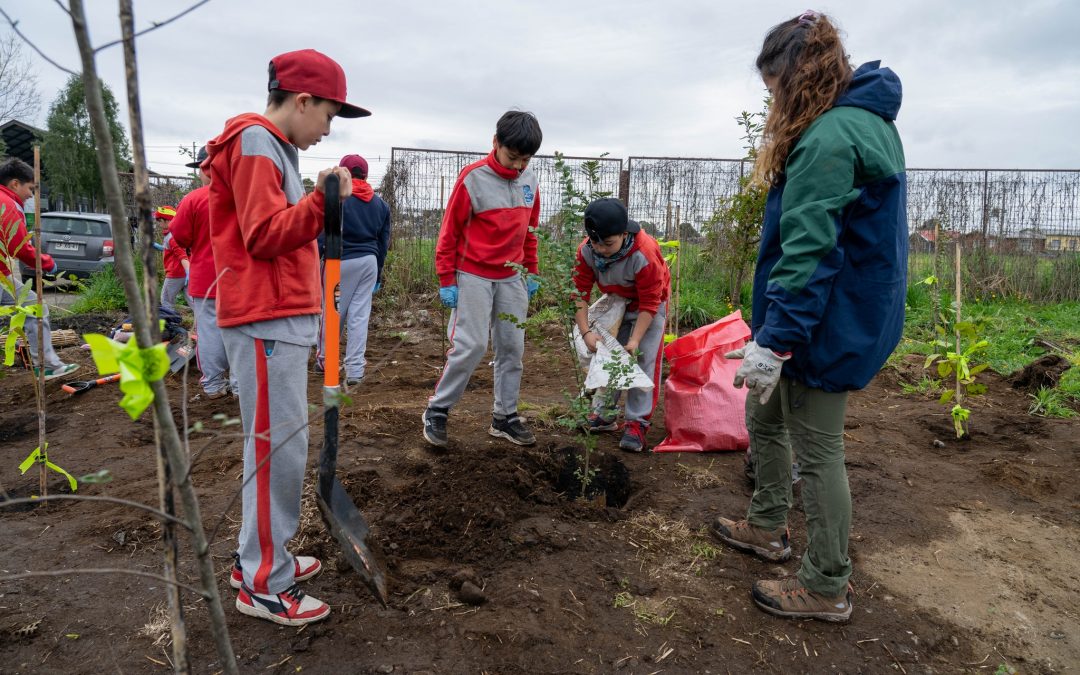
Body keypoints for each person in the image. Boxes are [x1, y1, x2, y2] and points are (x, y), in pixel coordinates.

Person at [709, 11, 907, 623]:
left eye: (775, 89)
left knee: (818, 450)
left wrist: (780, 339)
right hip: (816, 315)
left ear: (801, 76)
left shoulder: (829, 137)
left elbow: (812, 251)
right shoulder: (857, 124)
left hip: (828, 321)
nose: (773, 103)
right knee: (763, 415)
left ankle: (826, 583)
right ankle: (768, 526)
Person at [206, 48, 366, 626]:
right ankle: (264, 584)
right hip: (266, 317)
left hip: (280, 315)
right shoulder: (254, 143)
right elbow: (262, 235)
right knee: (279, 450)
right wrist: (322, 202)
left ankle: (260, 557)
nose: (327, 129)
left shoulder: (271, 148)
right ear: (302, 100)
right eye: (327, 115)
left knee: (275, 447)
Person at [422, 111, 542, 448]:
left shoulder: (530, 182)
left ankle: (505, 416)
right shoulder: (472, 179)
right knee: (471, 345)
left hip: (512, 278)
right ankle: (438, 409)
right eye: (512, 156)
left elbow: (530, 233)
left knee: (512, 348)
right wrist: (447, 278)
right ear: (495, 144)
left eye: (525, 159)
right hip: (472, 274)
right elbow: (449, 234)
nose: (518, 166)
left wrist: (530, 271)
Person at [572, 197, 670, 453]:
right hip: (616, 300)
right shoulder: (586, 251)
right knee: (610, 355)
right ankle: (604, 415)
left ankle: (637, 423)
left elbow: (651, 302)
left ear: (624, 234)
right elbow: (579, 293)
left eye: (609, 243)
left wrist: (635, 340)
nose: (601, 249)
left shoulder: (643, 254)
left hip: (649, 305)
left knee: (642, 358)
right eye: (596, 242)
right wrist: (586, 333)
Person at [0, 157, 79, 380]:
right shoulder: (6, 204)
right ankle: (47, 365)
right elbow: (17, 246)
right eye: (30, 188)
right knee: (35, 308)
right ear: (15, 183)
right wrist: (46, 263)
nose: (31, 195)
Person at [316, 153, 390, 386]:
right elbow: (383, 241)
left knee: (333, 312)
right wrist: (378, 271)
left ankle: (326, 362)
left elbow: (320, 233)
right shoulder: (380, 204)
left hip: (339, 261)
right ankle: (355, 371)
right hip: (368, 261)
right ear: (366, 175)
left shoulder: (337, 198)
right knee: (359, 316)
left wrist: (316, 257)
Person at [169, 145, 236, 400]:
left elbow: (181, 235)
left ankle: (213, 385)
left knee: (209, 331)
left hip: (206, 278)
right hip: (238, 278)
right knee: (239, 333)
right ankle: (240, 386)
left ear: (204, 169)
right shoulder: (239, 196)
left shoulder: (194, 199)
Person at [156, 205, 188, 312]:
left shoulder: (172, 236)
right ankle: (200, 325)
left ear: (167, 220)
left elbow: (181, 254)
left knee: (166, 300)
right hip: (182, 273)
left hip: (175, 274)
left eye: (159, 220)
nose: (158, 223)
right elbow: (173, 251)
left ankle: (171, 323)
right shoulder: (172, 234)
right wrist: (161, 248)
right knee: (192, 301)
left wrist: (189, 271)